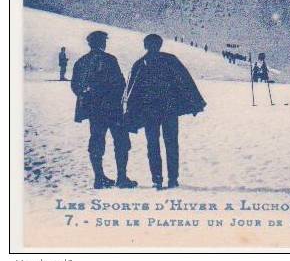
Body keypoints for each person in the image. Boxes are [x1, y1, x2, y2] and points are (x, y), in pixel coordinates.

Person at [123, 34, 206, 190]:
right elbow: (186, 82)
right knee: (171, 144)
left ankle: (157, 179)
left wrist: (130, 113)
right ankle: (172, 179)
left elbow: (132, 92)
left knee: (152, 144)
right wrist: (195, 102)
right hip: (169, 110)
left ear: (145, 46)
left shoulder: (140, 64)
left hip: (150, 112)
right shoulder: (170, 60)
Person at [70, 31, 136, 189]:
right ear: (102, 43)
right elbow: (119, 84)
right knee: (121, 142)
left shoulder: (81, 62)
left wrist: (88, 95)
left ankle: (99, 178)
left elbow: (75, 86)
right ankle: (121, 177)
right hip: (113, 109)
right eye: (104, 41)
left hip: (94, 111)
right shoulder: (110, 59)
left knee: (96, 142)